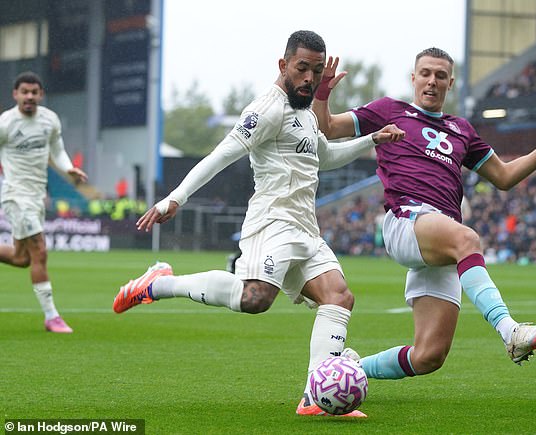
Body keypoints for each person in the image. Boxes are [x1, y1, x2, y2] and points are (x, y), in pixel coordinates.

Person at [112, 30, 404, 417]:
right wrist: (176, 197)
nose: (309, 78)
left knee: (338, 297)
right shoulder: (267, 109)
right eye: (302, 68)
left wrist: (373, 140)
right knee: (255, 300)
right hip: (272, 223)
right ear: (283, 64)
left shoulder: (305, 112)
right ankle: (158, 284)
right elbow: (221, 155)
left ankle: (314, 397)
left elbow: (325, 157)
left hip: (306, 227)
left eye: (317, 71)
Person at [312, 48, 536, 381]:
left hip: (440, 234)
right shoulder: (389, 110)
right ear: (413, 78)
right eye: (425, 73)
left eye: (440, 76)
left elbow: (504, 177)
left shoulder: (462, 130)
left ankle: (348, 370)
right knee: (467, 239)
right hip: (406, 221)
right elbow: (326, 127)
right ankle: (510, 332)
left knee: (429, 356)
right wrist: (322, 92)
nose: (432, 81)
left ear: (450, 83)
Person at [0, 71, 88, 333]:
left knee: (21, 258)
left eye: (34, 92)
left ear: (41, 95)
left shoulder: (50, 120)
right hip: (16, 195)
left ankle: (51, 317)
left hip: (37, 196)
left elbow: (57, 151)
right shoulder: (5, 123)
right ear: (15, 94)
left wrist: (69, 168)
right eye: (24, 92)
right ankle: (52, 317)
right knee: (40, 250)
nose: (29, 96)